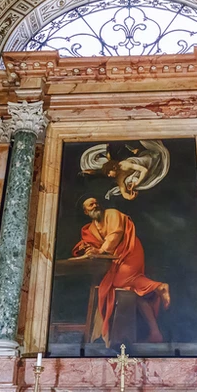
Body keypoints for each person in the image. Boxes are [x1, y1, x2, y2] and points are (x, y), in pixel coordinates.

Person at [74, 197, 170, 346]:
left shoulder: (112, 214)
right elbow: (89, 243)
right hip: (117, 259)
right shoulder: (91, 228)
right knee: (134, 293)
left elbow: (115, 235)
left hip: (130, 251)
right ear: (86, 211)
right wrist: (87, 248)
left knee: (119, 282)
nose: (95, 205)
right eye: (91, 205)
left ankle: (159, 287)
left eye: (96, 202)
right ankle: (155, 332)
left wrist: (100, 250)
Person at [80, 140, 169, 200]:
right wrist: (129, 197)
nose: (109, 175)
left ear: (114, 167)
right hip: (141, 167)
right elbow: (124, 192)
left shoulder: (124, 165)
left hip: (147, 161)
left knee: (156, 157)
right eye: (107, 175)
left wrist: (137, 183)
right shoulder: (119, 179)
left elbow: (144, 170)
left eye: (108, 173)